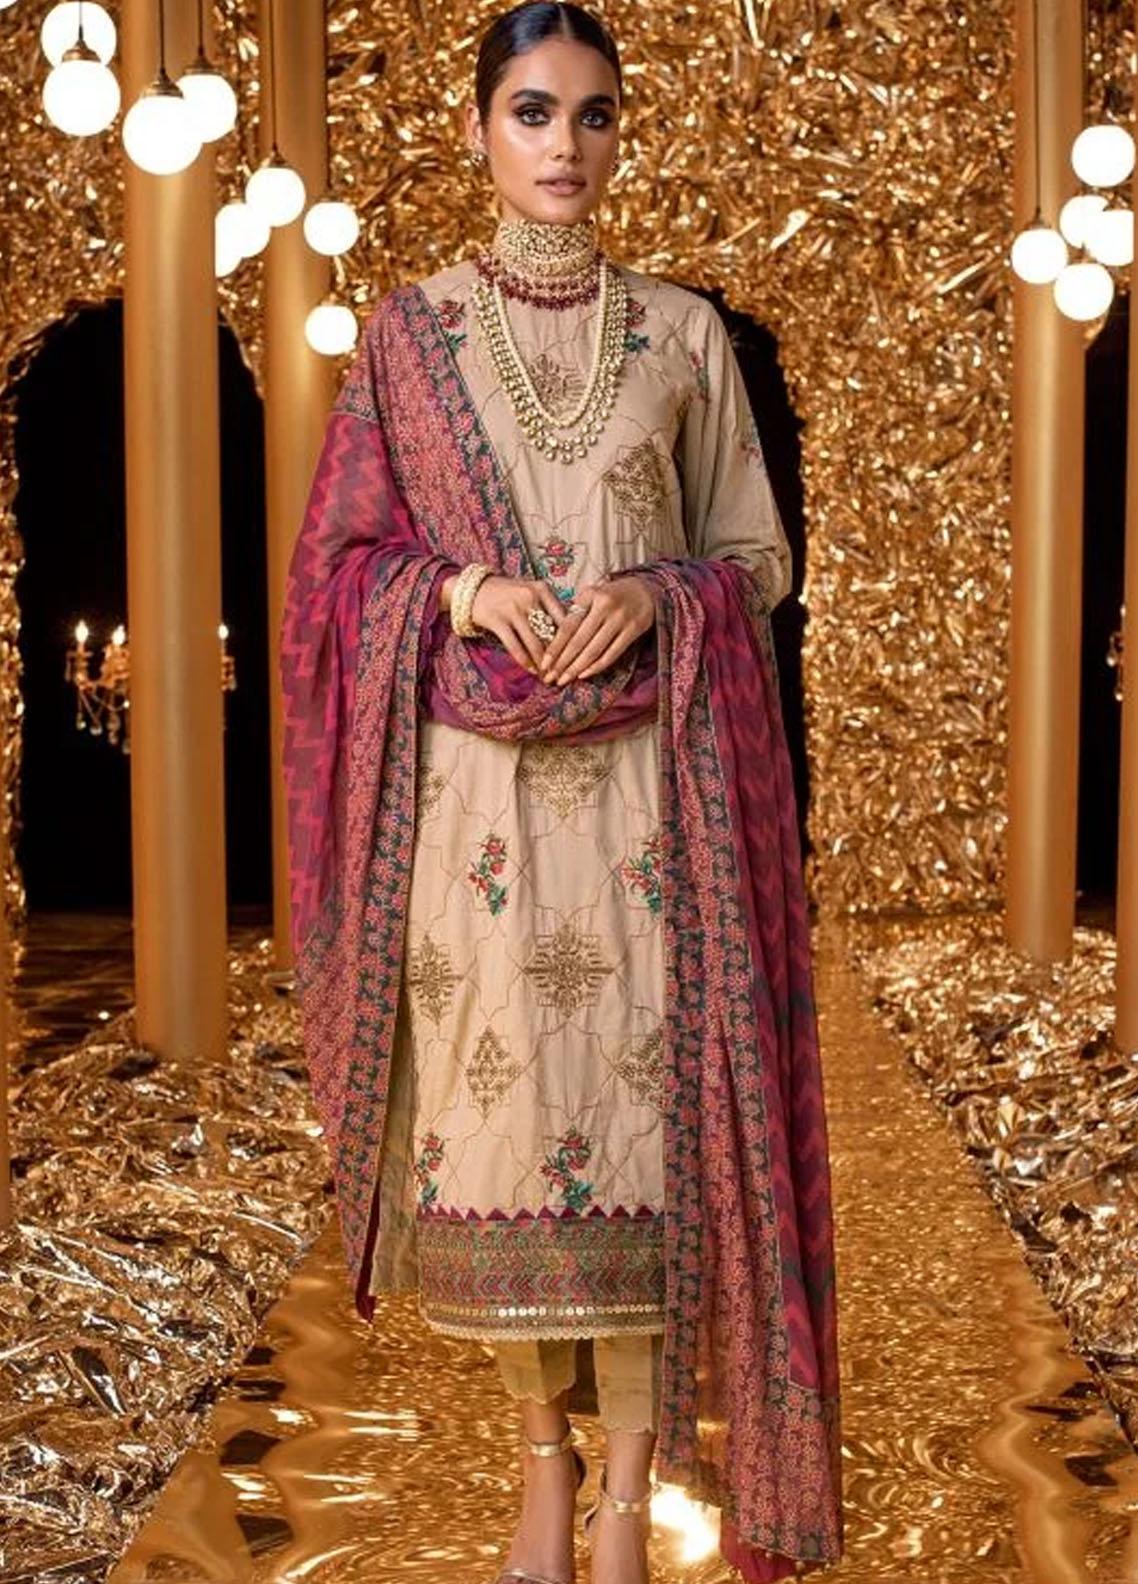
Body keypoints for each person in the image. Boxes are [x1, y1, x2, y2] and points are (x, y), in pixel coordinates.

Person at [279, 4, 843, 1581]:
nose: (564, 145)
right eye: (532, 111)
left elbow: (755, 557)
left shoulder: (681, 333)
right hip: (473, 812)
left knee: (652, 1141)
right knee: (505, 1139)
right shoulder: (409, 336)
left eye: (593, 114)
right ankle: (541, 1466)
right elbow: (334, 571)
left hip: (655, 802)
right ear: (478, 130)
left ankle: (622, 1499)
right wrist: (460, 593)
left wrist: (661, 594)